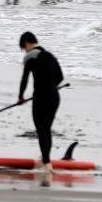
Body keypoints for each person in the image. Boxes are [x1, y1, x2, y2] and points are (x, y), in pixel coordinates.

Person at [16, 32, 65, 173]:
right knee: (46, 129)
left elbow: (25, 78)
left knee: (41, 129)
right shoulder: (50, 56)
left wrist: (20, 97)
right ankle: (45, 159)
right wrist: (50, 88)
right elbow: (60, 77)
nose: (24, 50)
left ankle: (47, 163)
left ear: (26, 43)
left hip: (40, 97)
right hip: (54, 97)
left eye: (23, 47)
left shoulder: (30, 56)